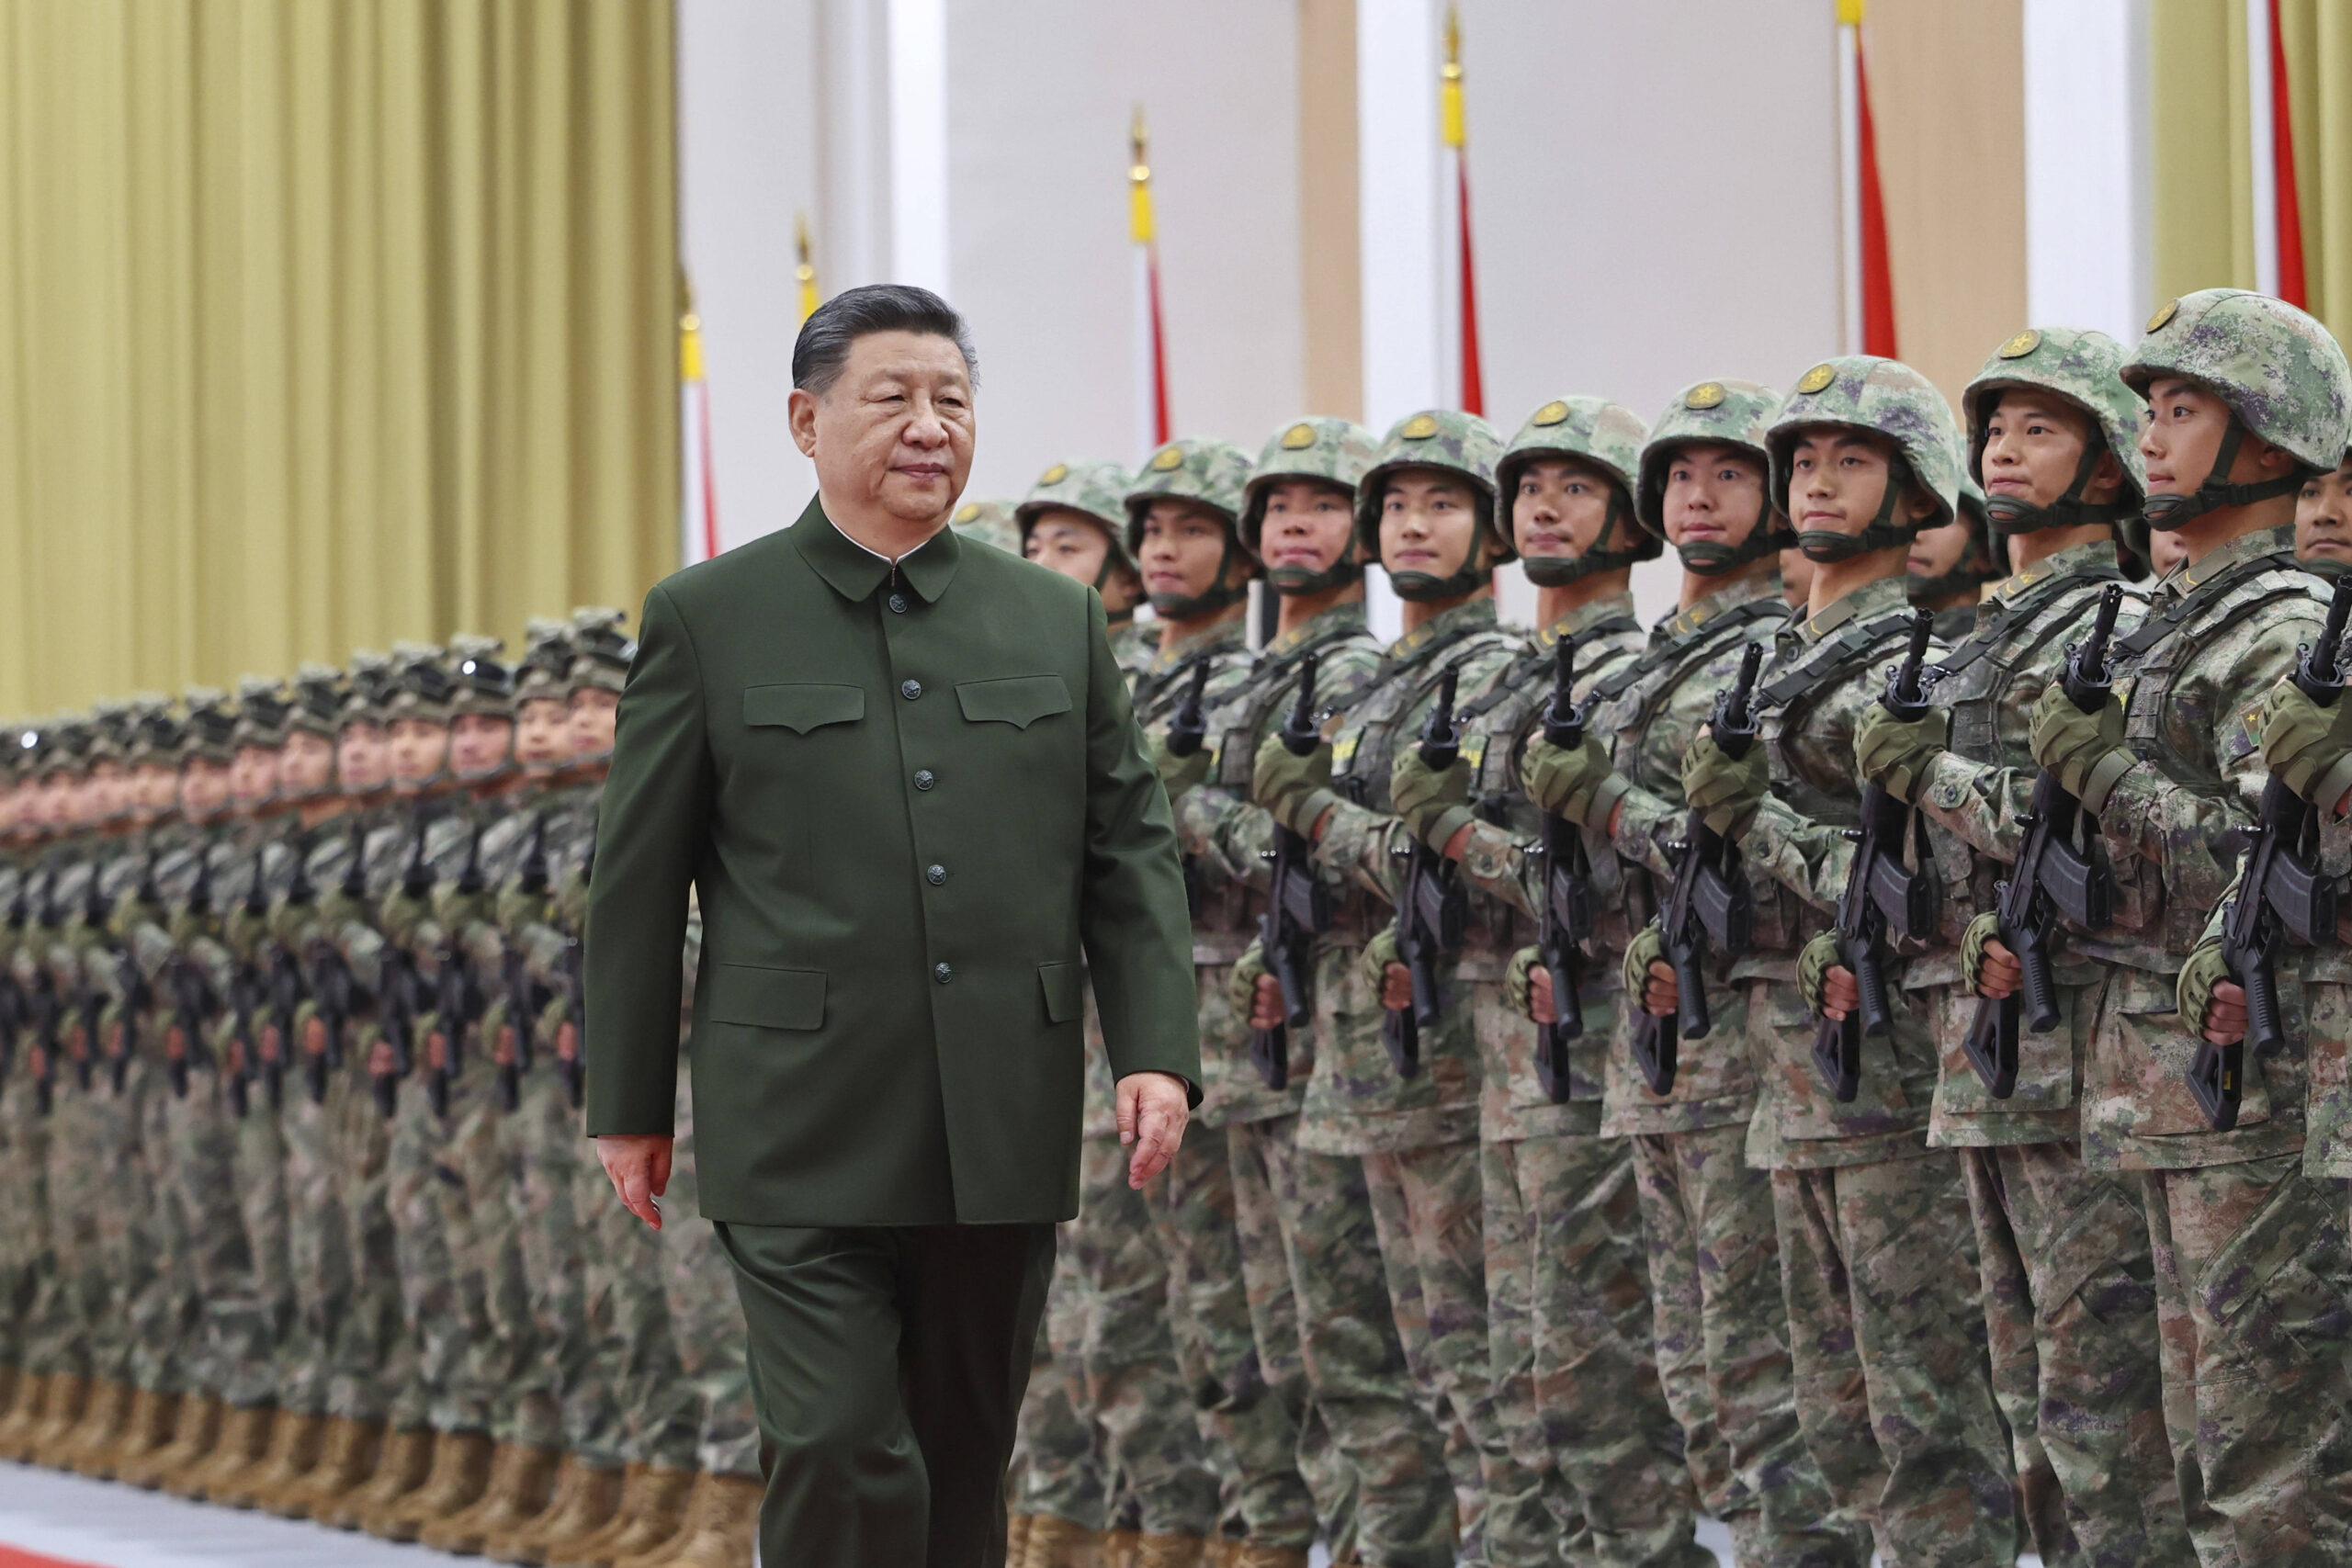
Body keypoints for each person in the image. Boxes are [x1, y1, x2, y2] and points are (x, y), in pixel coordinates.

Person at [584, 283, 1201, 1568]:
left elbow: (1126, 846)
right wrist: (627, 1098)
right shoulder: (709, 615)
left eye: (951, 400)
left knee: (962, 1451)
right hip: (796, 1108)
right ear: (807, 421)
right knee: (835, 1438)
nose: (928, 426)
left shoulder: (1054, 615)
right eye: (893, 398)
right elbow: (639, 878)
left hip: (997, 1102)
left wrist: (1156, 1047)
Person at [1514, 378, 1870, 1568]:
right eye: (1681, 475)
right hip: (1648, 1041)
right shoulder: (1651, 660)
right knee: (1690, 1375)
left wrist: (1609, 808)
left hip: (1750, 1041)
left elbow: (1763, 861)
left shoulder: (1775, 655)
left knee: (1768, 1385)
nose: (1699, 497)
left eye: (1728, 473)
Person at [1852, 326, 2194, 1564]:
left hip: (2074, 1053)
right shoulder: (1983, 631)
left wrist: (1930, 775)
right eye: (1993, 426)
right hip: (1980, 1047)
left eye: (2039, 427)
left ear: (2108, 466)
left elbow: (2098, 842)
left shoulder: (2116, 624)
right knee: (2023, 1399)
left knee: (2105, 1405)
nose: (2001, 447)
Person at [1673, 356, 2019, 1563]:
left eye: (1852, 459)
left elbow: (1924, 884)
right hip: (1787, 1067)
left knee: (1919, 1401)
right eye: (1803, 459)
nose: (1818, 481)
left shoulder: (1916, 664)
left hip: (1883, 1070)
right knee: (1821, 1413)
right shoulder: (1771, 661)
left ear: (1917, 486)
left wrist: (1745, 821)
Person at [2046, 288, 2352, 1565]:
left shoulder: (2278, 625)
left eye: (2186, 410)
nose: (2152, 438)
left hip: (2258, 1087)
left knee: (2264, 1469)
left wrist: (2106, 777)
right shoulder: (2172, 620)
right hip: (2172, 1090)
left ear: (2272, 442)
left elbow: (2267, 861)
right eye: (2150, 412)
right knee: (2181, 1453)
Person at [1387, 394, 1718, 1568]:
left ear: (1630, 521)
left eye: (1574, 487)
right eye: (1530, 487)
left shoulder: (1631, 676)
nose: (1542, 506)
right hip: (1497, 1054)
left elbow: (1635, 874)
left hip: (1594, 1047)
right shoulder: (1496, 683)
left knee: (1595, 1379)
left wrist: (1459, 843)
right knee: (1513, 1373)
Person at [1250, 408, 1527, 1568]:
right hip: (1355, 1048)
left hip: (1448, 1048)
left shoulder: (1492, 674)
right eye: (1399, 506)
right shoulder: (1374, 683)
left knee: (1469, 1356)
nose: (1414, 526)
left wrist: (1313, 815)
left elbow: (1466, 857)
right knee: (1359, 1354)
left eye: (1443, 505)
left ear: (1488, 531)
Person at [1021, 458, 1155, 682]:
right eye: (1033, 550)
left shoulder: (1157, 676)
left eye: (1066, 548)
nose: (1040, 565)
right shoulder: (1017, 671)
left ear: (1129, 578)